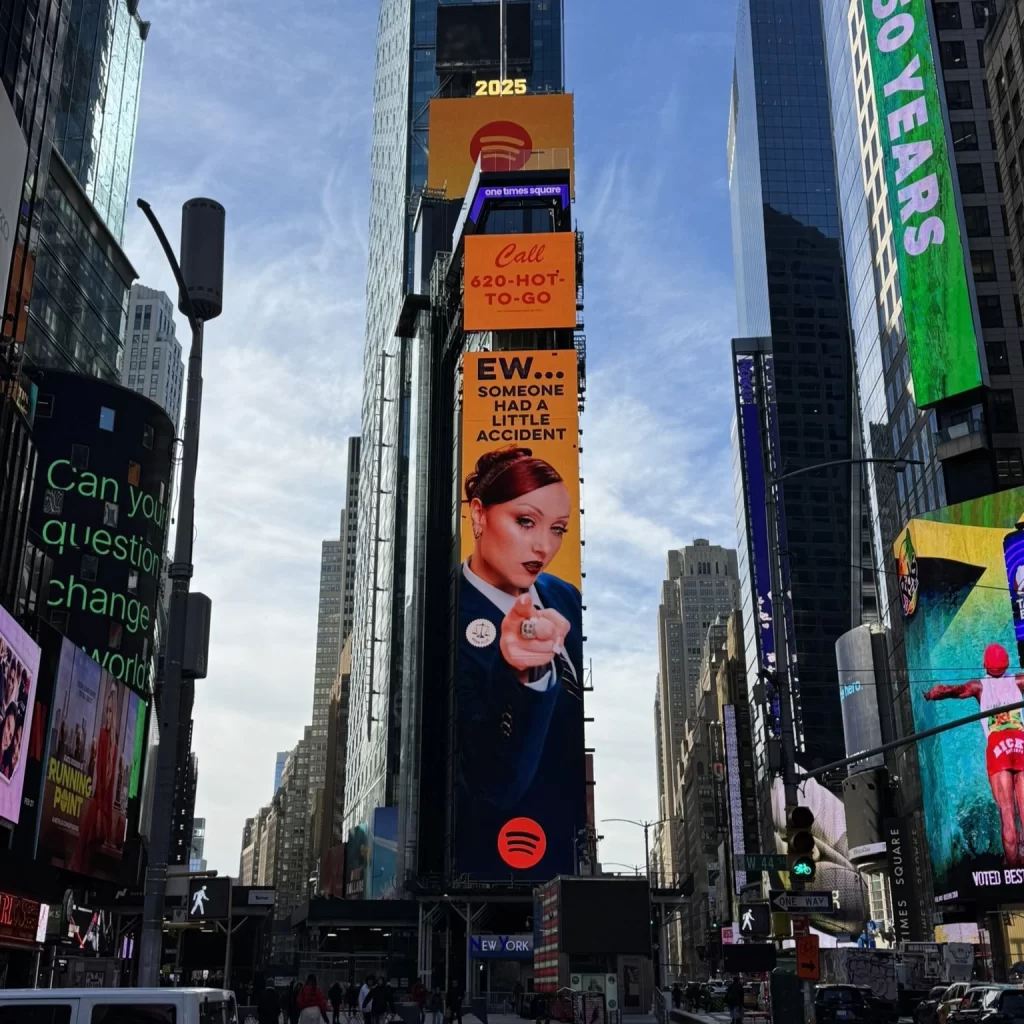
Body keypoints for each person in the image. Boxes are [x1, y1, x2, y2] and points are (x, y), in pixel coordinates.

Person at [457, 447, 586, 876]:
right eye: (525, 521)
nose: (543, 545)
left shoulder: (564, 594)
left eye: (558, 529)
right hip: (489, 857)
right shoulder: (443, 617)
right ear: (479, 515)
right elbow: (493, 781)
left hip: (566, 852)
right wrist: (523, 677)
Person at [925, 643, 1024, 864]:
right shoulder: (1019, 681)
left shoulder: (979, 686)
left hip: (999, 748)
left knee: (1007, 813)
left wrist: (932, 694)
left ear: (985, 665)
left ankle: (1014, 869)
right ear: (1007, 662)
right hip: (1020, 743)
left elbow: (951, 691)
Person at [70, 686, 119, 874]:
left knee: (90, 846)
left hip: (104, 808)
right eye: (106, 710)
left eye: (110, 711)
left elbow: (110, 781)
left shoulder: (112, 743)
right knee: (86, 844)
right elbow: (98, 772)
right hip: (98, 802)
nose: (107, 715)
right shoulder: (103, 736)